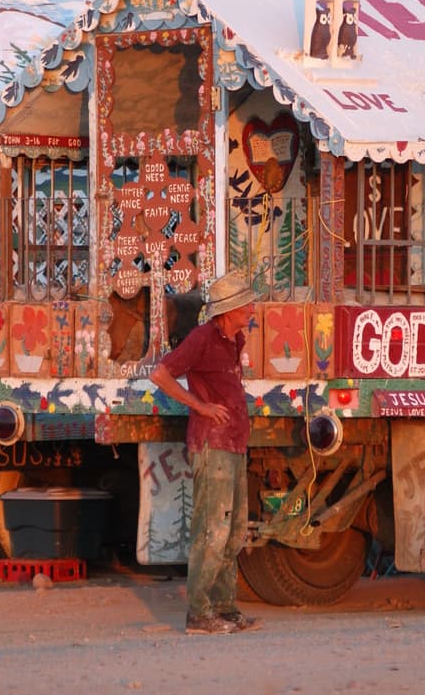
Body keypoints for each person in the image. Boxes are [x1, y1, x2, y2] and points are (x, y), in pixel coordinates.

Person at [150, 272, 262, 635]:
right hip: (212, 445)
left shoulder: (234, 339)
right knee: (212, 530)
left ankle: (225, 607)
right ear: (229, 310)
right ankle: (199, 613)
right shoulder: (202, 338)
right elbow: (161, 375)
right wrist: (200, 406)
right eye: (245, 304)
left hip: (232, 443)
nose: (251, 309)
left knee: (232, 532)